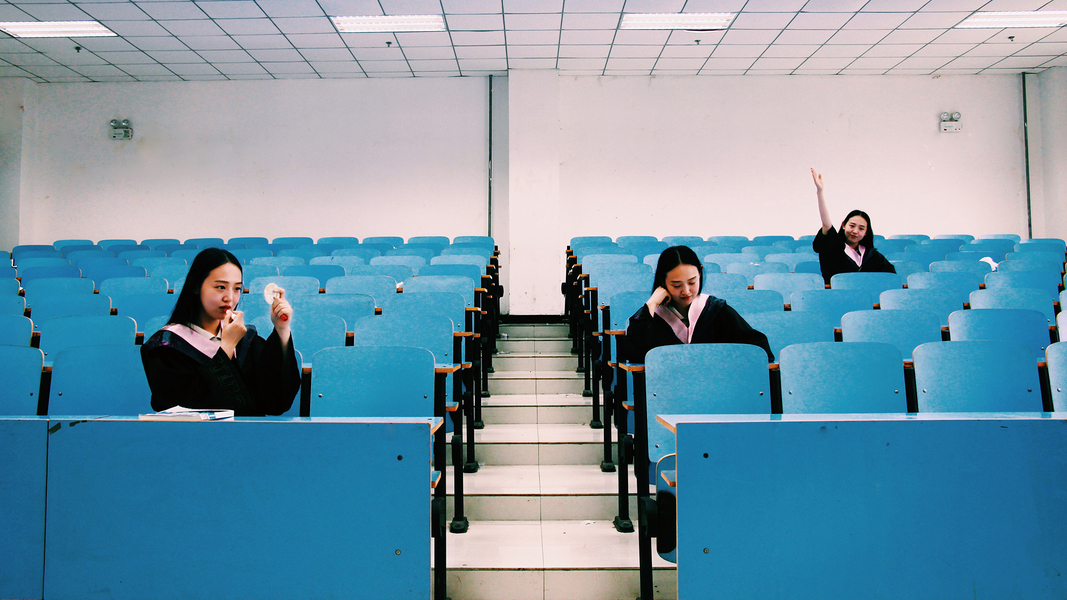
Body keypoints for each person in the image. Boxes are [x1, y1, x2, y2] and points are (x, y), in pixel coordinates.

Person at [141, 248, 300, 416]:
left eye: (236, 288)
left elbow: (275, 402)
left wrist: (281, 329)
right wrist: (227, 346)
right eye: (220, 287)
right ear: (196, 286)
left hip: (252, 432)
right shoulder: (166, 346)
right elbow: (183, 411)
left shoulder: (246, 341)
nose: (229, 298)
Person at [625, 245, 774, 363]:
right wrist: (651, 304)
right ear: (662, 281)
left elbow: (760, 350)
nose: (686, 291)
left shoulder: (716, 310)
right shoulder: (653, 317)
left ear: (700, 273)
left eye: (692, 282)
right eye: (676, 285)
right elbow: (634, 355)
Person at [810, 168, 896, 286]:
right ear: (843, 225)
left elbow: (890, 278)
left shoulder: (873, 256)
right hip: (838, 294)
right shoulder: (834, 248)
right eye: (852, 226)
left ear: (866, 232)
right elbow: (826, 224)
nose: (855, 231)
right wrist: (820, 192)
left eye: (861, 228)